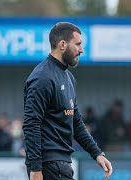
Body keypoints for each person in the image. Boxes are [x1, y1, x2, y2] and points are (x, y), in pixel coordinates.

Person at [23, 22, 112, 180]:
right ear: (62, 44)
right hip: (48, 165)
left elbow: (75, 121)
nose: (81, 49)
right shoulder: (42, 77)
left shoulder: (68, 77)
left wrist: (97, 153)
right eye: (78, 44)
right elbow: (31, 123)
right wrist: (36, 168)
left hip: (61, 164)